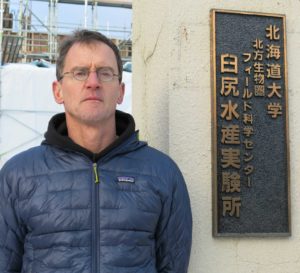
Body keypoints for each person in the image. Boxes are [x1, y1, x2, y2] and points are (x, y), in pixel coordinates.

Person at [0, 29, 192, 273]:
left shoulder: (163, 172)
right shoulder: (17, 175)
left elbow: (173, 266)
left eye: (105, 73)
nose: (93, 82)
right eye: (80, 73)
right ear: (58, 91)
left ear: (120, 91)